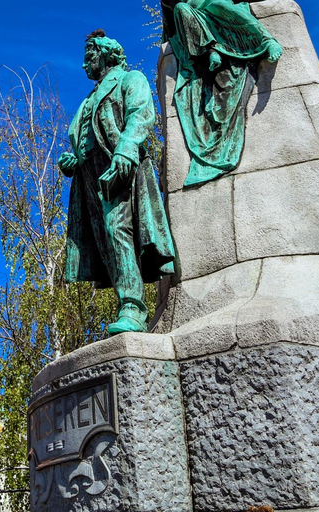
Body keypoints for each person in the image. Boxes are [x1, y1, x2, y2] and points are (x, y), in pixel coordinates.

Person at [59, 30, 175, 335]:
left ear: (105, 55)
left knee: (118, 229)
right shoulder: (88, 99)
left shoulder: (129, 79)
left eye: (89, 58)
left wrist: (126, 149)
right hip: (89, 179)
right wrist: (75, 160)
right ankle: (127, 303)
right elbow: (85, 138)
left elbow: (140, 114)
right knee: (104, 243)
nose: (84, 66)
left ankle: (133, 308)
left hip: (118, 167)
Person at [161, 0, 282, 186]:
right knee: (180, 9)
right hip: (192, 19)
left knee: (219, 5)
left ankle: (266, 41)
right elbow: (169, 23)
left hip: (215, 8)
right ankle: (212, 50)